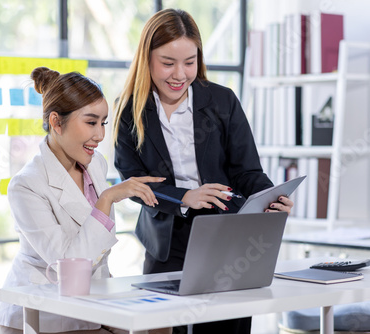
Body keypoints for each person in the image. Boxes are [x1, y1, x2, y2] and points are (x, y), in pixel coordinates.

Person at [113, 8, 293, 334]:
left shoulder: (222, 101)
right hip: (167, 239)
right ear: (146, 59)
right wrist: (186, 197)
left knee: (226, 326)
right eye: (168, 63)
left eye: (190, 62)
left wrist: (270, 197)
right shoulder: (129, 111)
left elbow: (246, 170)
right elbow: (132, 181)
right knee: (165, 327)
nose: (180, 74)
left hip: (225, 231)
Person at [0, 67, 171, 334]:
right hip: (41, 312)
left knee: (160, 324)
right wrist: (108, 198)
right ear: (56, 122)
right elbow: (69, 265)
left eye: (103, 123)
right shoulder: (26, 185)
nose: (100, 135)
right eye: (91, 123)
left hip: (91, 301)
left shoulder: (95, 164)